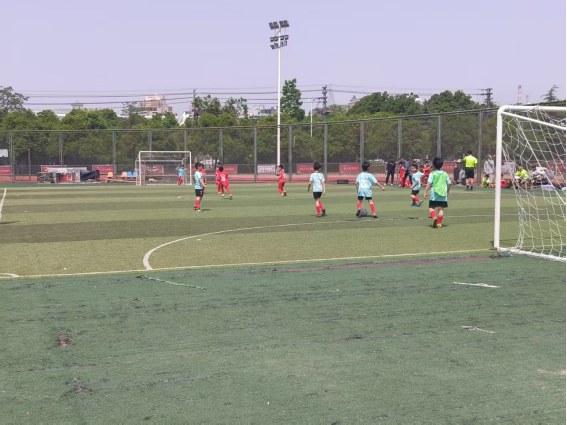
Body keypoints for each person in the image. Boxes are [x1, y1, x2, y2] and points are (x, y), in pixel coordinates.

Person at [424, 157, 452, 229]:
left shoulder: (432, 173)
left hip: (434, 194)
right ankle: (439, 223)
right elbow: (449, 183)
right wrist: (447, 192)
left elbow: (429, 183)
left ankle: (434, 217)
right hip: (443, 194)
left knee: (431, 207)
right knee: (441, 209)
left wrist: (425, 192)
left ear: (433, 165)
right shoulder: (445, 174)